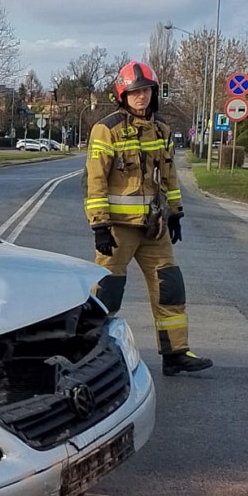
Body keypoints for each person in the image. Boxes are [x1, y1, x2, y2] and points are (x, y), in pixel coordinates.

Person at [85, 60, 213, 377]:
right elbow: (96, 181)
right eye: (135, 92)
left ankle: (175, 353)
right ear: (123, 95)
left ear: (154, 94)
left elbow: (168, 178)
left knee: (170, 287)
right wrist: (100, 225)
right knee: (106, 292)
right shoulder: (107, 129)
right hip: (117, 229)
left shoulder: (161, 130)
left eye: (146, 91)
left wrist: (175, 215)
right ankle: (89, 354)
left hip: (154, 228)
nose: (141, 97)